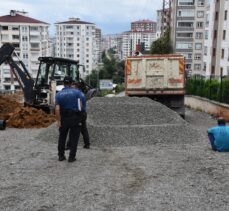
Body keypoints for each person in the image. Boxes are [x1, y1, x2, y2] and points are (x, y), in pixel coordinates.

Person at [55, 76, 83, 162]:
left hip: (64, 118)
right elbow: (80, 106)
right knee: (74, 138)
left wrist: (58, 120)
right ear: (71, 83)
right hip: (74, 117)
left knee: (62, 137)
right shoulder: (77, 92)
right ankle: (71, 157)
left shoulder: (58, 94)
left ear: (63, 83)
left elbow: (57, 109)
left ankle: (61, 156)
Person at [66, 81, 90, 149]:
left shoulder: (78, 94)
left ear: (76, 87)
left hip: (79, 113)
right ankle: (87, 144)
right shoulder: (81, 94)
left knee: (72, 129)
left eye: (73, 87)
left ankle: (69, 145)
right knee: (84, 129)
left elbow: (80, 106)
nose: (71, 88)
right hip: (83, 113)